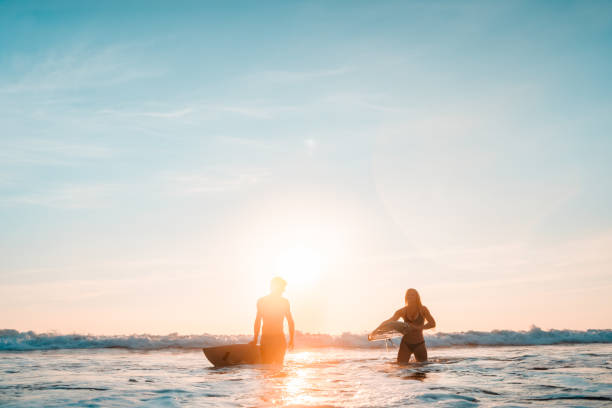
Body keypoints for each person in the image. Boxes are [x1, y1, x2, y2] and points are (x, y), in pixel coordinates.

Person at [383, 288, 436, 363]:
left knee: (422, 369)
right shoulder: (402, 311)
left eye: (412, 295)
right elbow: (390, 321)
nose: (410, 297)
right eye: (408, 295)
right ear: (406, 297)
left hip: (419, 343)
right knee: (401, 367)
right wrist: (377, 329)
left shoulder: (423, 309)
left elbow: (432, 323)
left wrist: (418, 328)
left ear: (417, 297)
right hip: (405, 344)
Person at [250, 276, 295, 364]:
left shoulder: (263, 301)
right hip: (271, 339)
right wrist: (291, 339)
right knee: (274, 370)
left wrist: (255, 339)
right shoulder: (281, 302)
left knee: (270, 369)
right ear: (275, 287)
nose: (283, 290)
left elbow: (290, 322)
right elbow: (258, 321)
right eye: (282, 288)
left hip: (274, 339)